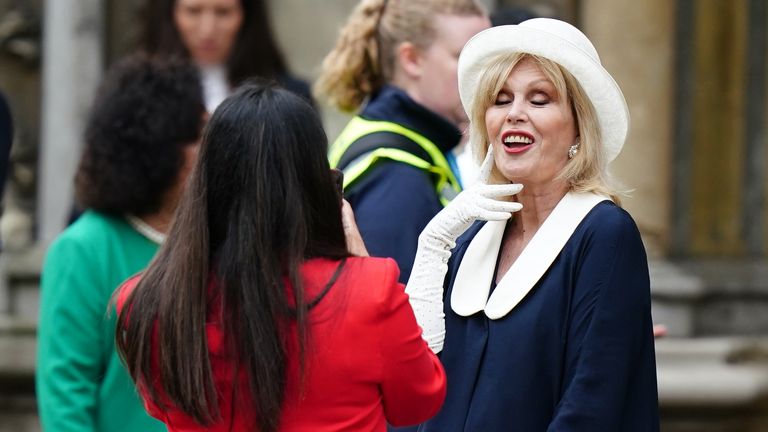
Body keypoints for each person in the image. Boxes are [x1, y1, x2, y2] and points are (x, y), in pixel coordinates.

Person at [114, 82, 447, 432]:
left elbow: (163, 409)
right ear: (315, 186)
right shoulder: (370, 292)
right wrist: (361, 265)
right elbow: (419, 401)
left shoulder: (146, 303)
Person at [403, 18, 660, 430]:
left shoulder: (604, 234)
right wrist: (432, 246)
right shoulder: (469, 239)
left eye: (539, 100)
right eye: (501, 100)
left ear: (579, 126)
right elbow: (413, 382)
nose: (514, 115)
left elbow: (592, 406)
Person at [36, 54, 206, 432]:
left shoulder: (215, 238)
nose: (211, 147)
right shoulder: (82, 250)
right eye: (198, 135)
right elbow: (66, 396)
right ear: (160, 149)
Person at [315, 0, 490, 284]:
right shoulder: (396, 176)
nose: (484, 74)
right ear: (412, 59)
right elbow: (399, 307)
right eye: (464, 56)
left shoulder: (402, 138)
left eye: (489, 58)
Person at [139, 0, 313, 112]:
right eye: (193, 11)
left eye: (223, 12)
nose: (208, 30)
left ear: (246, 15)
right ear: (171, 13)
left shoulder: (291, 96)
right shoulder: (141, 94)